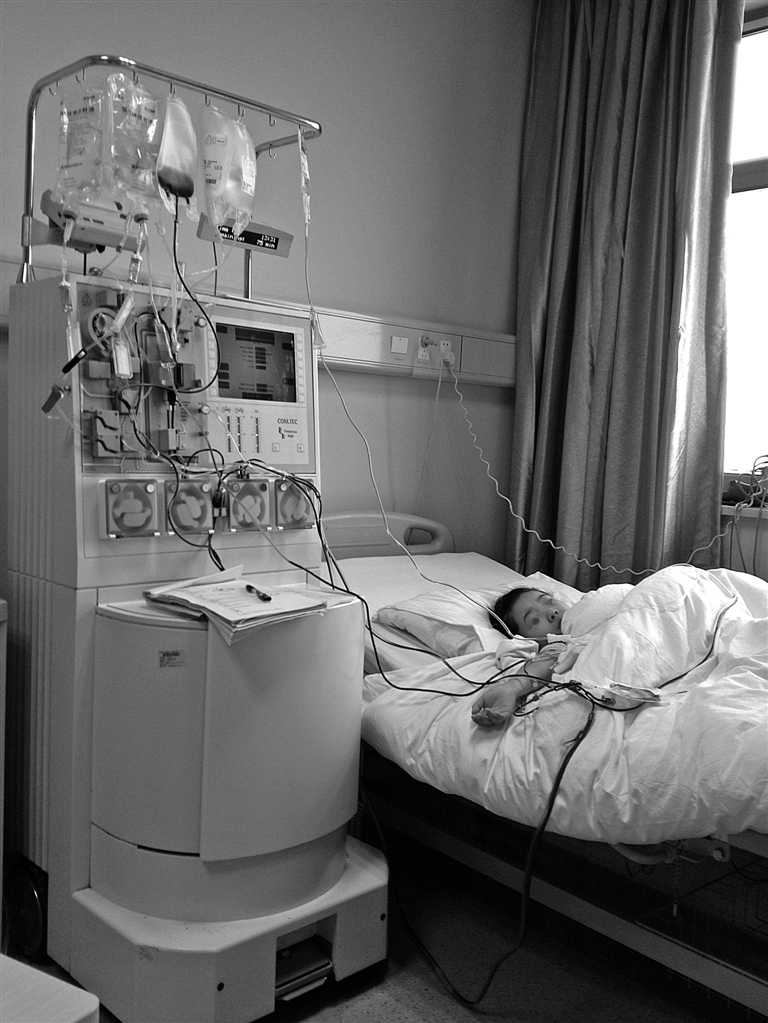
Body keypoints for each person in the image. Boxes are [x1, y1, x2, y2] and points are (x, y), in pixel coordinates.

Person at [471, 588, 569, 728]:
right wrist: (512, 688)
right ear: (525, 638)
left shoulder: (591, 608)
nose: (551, 613)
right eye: (534, 619)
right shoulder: (561, 645)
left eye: (549, 602)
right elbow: (546, 663)